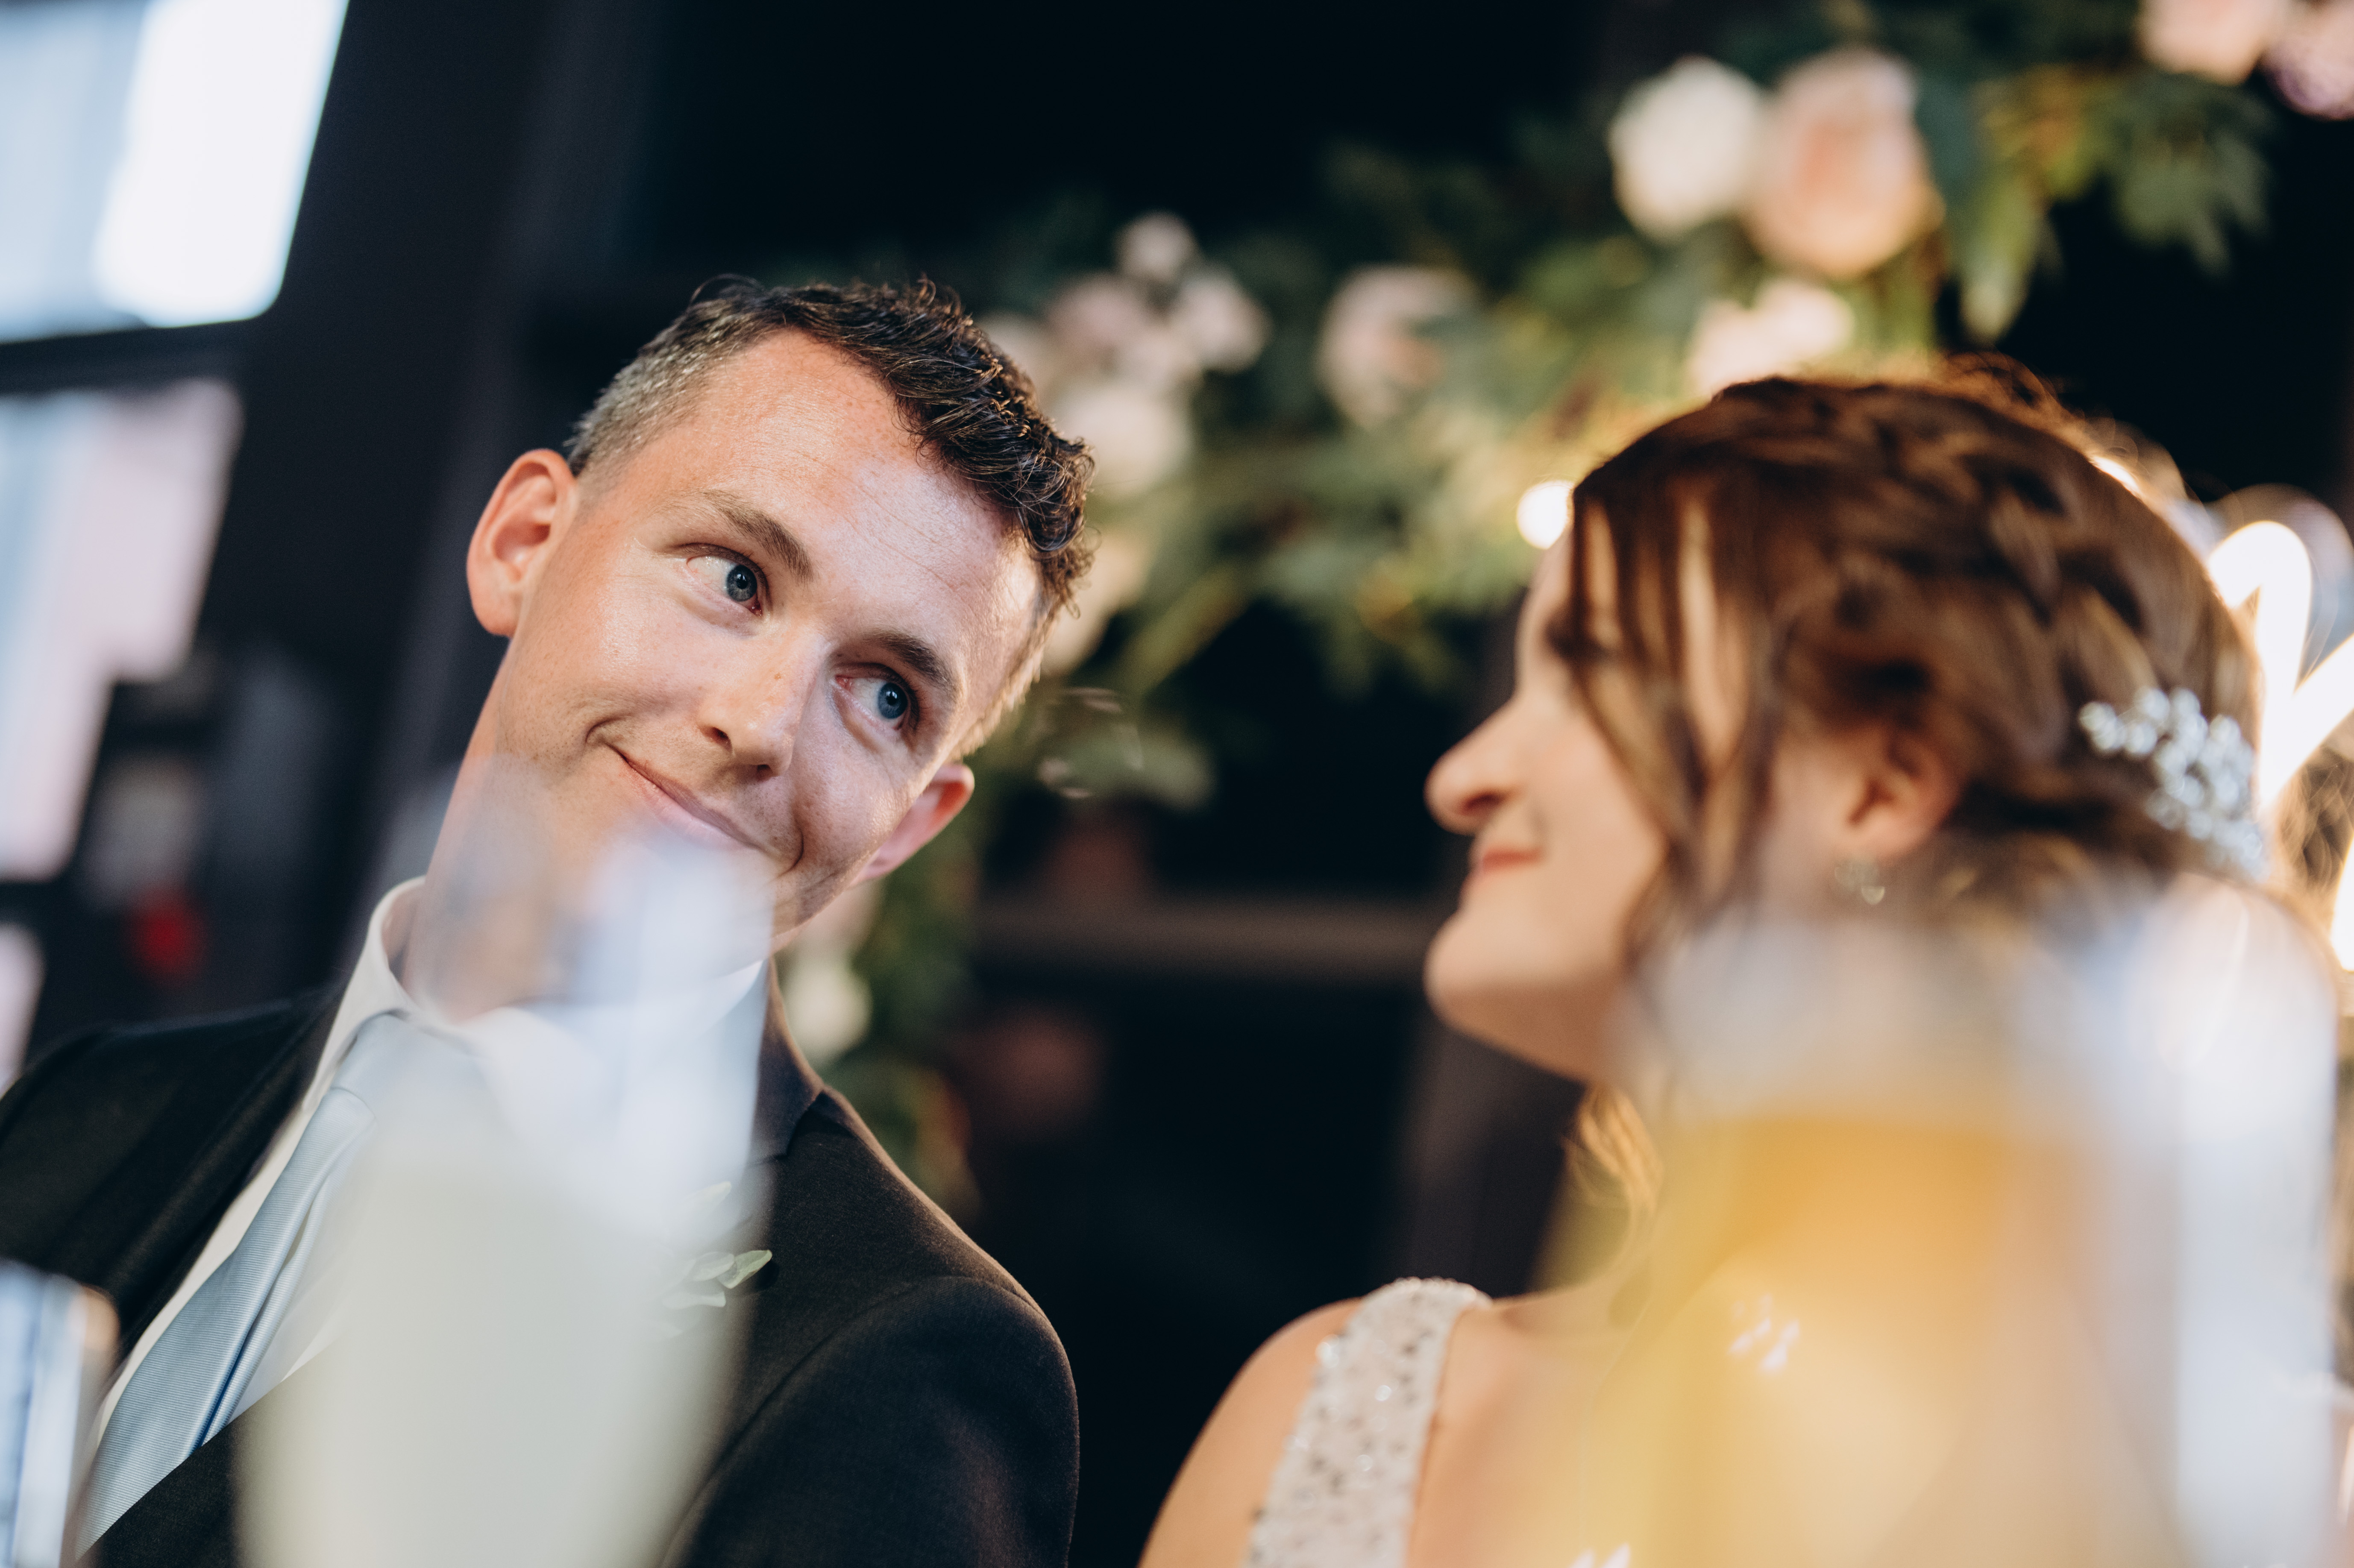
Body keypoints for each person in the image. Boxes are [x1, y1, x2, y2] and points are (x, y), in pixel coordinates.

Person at [1141, 373, 2343, 1565]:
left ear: (1881, 784)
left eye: (1587, 672)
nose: (1463, 778)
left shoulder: (2290, 1500)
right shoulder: (1345, 1404)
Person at [0, 281, 1092, 1567]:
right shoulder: (82, 1107)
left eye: (889, 696)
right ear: (523, 543)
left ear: (910, 827)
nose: (761, 721)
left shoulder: (901, 1353)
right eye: (736, 577)